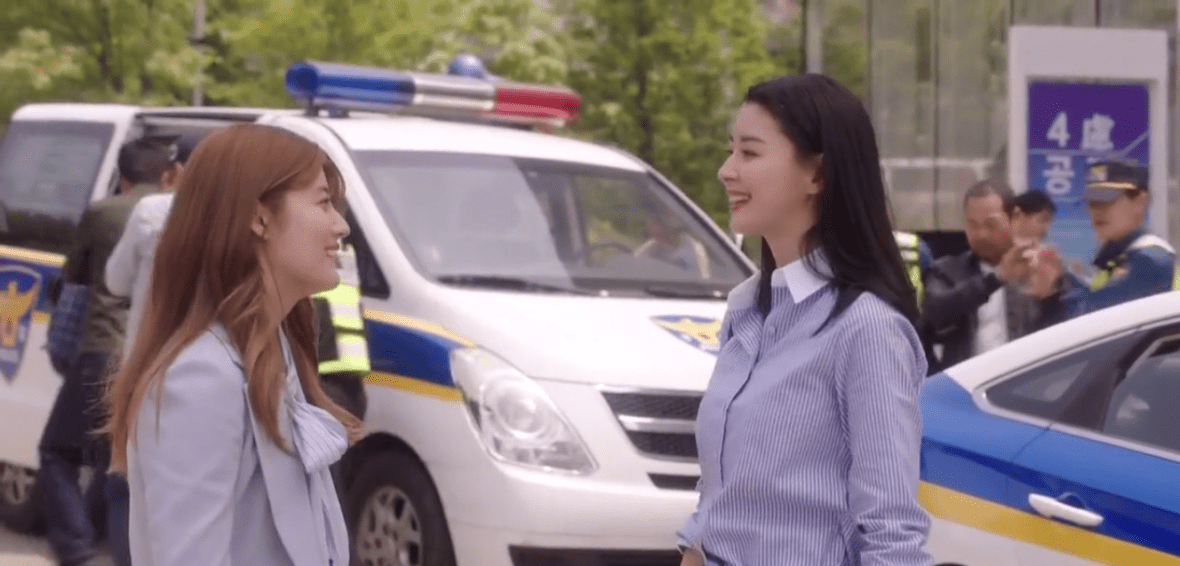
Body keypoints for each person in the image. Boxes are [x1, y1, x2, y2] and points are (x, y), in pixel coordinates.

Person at [677, 74, 931, 566]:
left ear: (817, 175)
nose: (727, 171)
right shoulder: (747, 307)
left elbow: (892, 532)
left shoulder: (867, 330)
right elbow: (718, 493)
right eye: (731, 151)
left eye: (750, 153)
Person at [103, 124, 362, 566]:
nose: (340, 225)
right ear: (259, 218)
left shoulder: (274, 349)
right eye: (323, 203)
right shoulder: (201, 377)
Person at [40, 138, 172, 566]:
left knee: (57, 451)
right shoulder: (184, 213)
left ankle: (77, 547)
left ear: (123, 177)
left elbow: (74, 271)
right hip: (153, 356)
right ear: (167, 174)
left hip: (103, 349)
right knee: (113, 459)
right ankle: (94, 537)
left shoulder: (104, 212)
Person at [921, 180, 1059, 369]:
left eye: (991, 224)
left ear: (1015, 218)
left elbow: (1065, 333)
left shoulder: (1036, 267)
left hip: (1023, 380)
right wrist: (996, 278)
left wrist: (1050, 298)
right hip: (965, 381)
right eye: (973, 225)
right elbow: (933, 311)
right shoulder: (946, 270)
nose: (981, 234)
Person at [1031, 160, 1178, 320]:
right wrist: (1054, 284)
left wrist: (1057, 285)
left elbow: (1093, 319)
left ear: (1140, 202)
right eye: (1092, 202)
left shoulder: (1151, 258)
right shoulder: (1114, 260)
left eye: (1107, 200)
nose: (1097, 211)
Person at [105, 134, 202, 363]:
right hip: (203, 365)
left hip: (145, 361)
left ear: (177, 171)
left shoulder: (152, 210)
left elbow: (116, 283)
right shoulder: (242, 219)